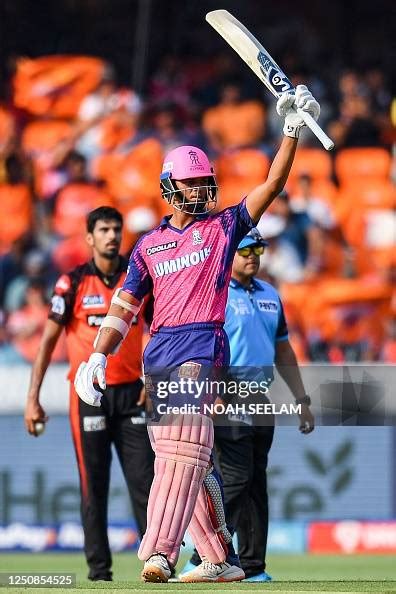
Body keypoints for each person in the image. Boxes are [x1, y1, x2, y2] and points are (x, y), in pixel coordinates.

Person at [74, 85, 320, 583]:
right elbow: (125, 305)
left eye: (206, 180)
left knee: (184, 448)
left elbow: (272, 184)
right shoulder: (148, 245)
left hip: (202, 349)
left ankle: (159, 551)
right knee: (186, 456)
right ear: (169, 187)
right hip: (158, 357)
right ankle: (218, 559)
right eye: (192, 183)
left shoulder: (224, 227)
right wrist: (98, 357)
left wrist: (291, 129)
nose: (203, 189)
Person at [24, 206, 154, 581]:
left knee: (145, 482)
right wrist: (34, 398)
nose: (112, 235)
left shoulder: (139, 276)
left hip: (133, 393)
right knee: (92, 486)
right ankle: (100, 573)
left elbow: (157, 328)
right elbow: (48, 342)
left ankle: (156, 562)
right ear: (89, 237)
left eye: (117, 229)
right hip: (88, 396)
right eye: (104, 230)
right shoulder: (73, 282)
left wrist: (152, 378)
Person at [181, 228, 315, 581]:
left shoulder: (271, 294)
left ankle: (253, 566)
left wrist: (301, 398)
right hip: (227, 391)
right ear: (231, 254)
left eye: (258, 248)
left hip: (261, 395)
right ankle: (203, 556)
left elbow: (283, 350)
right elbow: (202, 344)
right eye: (246, 249)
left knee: (256, 480)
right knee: (237, 477)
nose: (253, 255)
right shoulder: (215, 292)